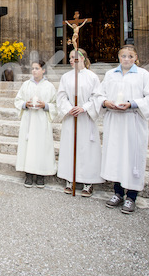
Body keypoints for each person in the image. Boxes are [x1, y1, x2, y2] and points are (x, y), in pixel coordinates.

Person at [95, 44, 149, 214]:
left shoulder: (143, 75)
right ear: (118, 57)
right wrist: (105, 102)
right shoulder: (110, 75)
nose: (127, 59)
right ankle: (117, 192)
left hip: (133, 122)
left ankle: (131, 196)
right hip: (115, 121)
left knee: (132, 158)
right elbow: (99, 94)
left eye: (130, 56)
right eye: (123, 56)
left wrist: (132, 104)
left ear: (136, 58)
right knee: (116, 157)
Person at [56, 49, 104, 196]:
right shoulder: (66, 77)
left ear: (82, 58)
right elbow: (61, 96)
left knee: (86, 148)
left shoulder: (92, 77)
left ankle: (88, 182)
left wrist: (84, 108)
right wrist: (69, 108)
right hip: (71, 118)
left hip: (85, 118)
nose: (71, 60)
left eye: (74, 57)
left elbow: (97, 97)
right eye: (70, 57)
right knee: (71, 147)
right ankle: (70, 179)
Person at [14, 59, 58, 188]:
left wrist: (45, 105)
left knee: (41, 146)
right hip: (28, 119)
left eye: (37, 68)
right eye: (32, 68)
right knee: (28, 146)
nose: (34, 70)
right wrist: (24, 104)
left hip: (42, 120)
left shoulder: (49, 86)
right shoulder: (26, 85)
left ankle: (40, 175)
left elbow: (55, 104)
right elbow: (17, 100)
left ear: (43, 70)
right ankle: (28, 174)